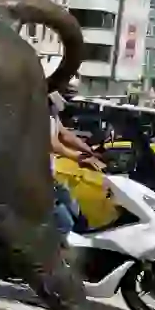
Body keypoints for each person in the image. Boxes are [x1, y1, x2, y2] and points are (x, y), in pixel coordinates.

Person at [50, 91, 104, 236]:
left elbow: (66, 135)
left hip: (51, 177)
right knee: (65, 223)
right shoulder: (40, 117)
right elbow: (54, 145)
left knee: (75, 211)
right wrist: (78, 157)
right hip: (39, 179)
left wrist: (89, 150)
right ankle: (58, 253)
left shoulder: (53, 117)